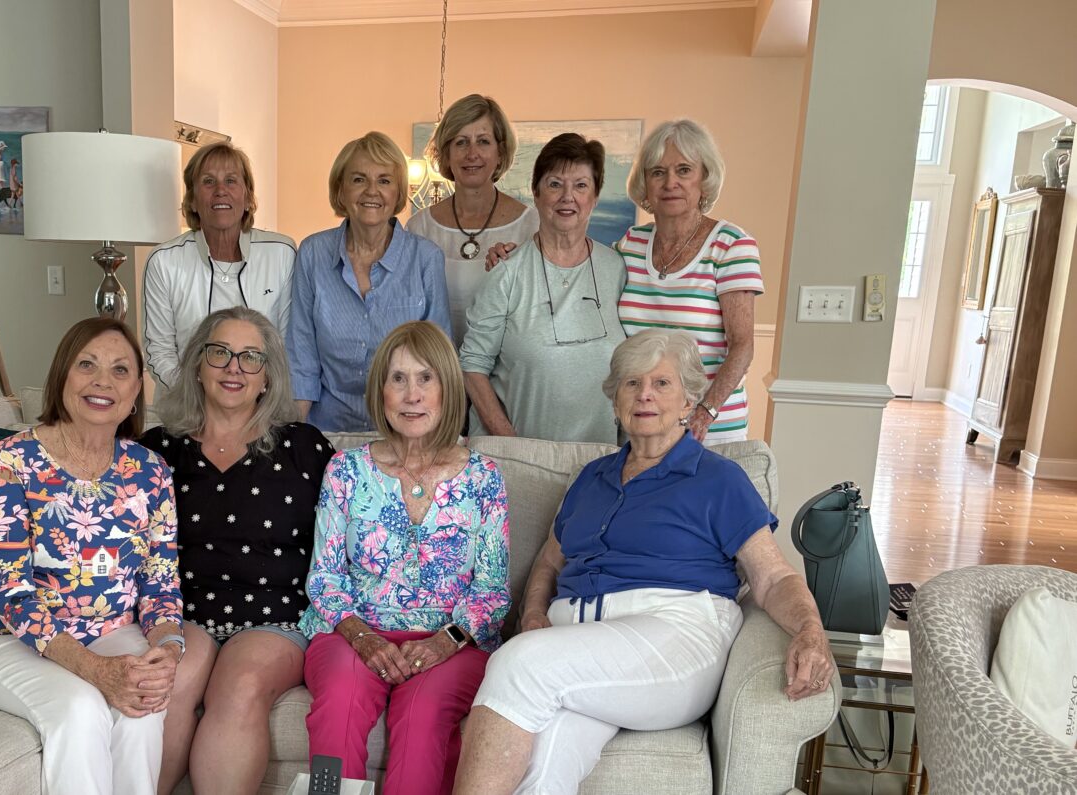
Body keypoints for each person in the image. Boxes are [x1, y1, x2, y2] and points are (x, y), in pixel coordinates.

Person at [452, 329, 835, 795]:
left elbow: (772, 577)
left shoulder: (719, 479)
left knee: (518, 665)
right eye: (632, 383)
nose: (644, 394)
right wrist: (533, 614)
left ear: (689, 400)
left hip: (673, 637)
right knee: (544, 760)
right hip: (577, 647)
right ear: (616, 400)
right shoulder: (590, 479)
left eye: (661, 383)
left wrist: (810, 631)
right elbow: (549, 564)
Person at [0, 317, 183, 795]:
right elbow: (10, 592)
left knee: (141, 704)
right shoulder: (11, 462)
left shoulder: (151, 471)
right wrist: (95, 670)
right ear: (62, 377)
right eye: (87, 365)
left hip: (109, 630)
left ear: (136, 392)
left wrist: (167, 650)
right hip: (2, 636)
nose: (103, 381)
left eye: (120, 370)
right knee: (81, 708)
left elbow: (160, 584)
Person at [299, 321, 510, 795]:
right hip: (353, 632)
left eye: (425, 378)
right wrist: (363, 638)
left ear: (447, 389)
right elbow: (325, 577)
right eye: (398, 378)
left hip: (450, 641)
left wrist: (443, 643)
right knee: (340, 702)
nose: (411, 395)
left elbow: (492, 591)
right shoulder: (345, 470)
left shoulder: (484, 478)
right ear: (381, 390)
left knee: (423, 716)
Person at [139, 307, 335, 794]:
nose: (234, 368)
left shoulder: (305, 448)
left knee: (241, 684)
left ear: (268, 377)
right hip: (181, 614)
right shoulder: (157, 451)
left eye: (251, 357)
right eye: (220, 353)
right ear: (198, 365)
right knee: (171, 681)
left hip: (276, 618)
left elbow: (343, 544)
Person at [459, 133, 625, 443]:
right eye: (554, 184)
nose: (567, 196)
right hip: (520, 457)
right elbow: (472, 365)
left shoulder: (616, 268)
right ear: (536, 193)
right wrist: (511, 445)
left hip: (600, 457)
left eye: (580, 185)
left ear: (595, 197)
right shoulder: (507, 272)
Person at [289, 132, 452, 432]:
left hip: (403, 434)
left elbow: (438, 363)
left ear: (398, 192)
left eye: (384, 180)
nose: (372, 191)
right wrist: (295, 439)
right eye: (359, 179)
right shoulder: (312, 253)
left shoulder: (426, 258)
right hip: (328, 432)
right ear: (340, 190)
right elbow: (302, 358)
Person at [616, 119, 764, 443]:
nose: (670, 182)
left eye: (683, 170)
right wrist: (517, 252)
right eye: (658, 172)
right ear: (645, 184)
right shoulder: (630, 243)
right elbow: (580, 266)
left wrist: (704, 414)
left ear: (704, 179)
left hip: (708, 430)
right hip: (642, 426)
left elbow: (742, 346)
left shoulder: (731, 245)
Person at [144, 142, 296, 398]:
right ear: (192, 200)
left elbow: (287, 346)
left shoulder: (282, 253)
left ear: (248, 198)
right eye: (208, 182)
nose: (220, 191)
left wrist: (253, 398)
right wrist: (202, 399)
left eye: (231, 181)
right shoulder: (164, 261)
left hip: (262, 405)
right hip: (186, 405)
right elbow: (158, 352)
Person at [406, 94, 538, 346]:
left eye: (483, 141)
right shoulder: (419, 228)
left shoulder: (530, 225)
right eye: (461, 142)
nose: (472, 153)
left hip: (505, 369)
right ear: (446, 154)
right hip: (435, 367)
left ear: (500, 152)